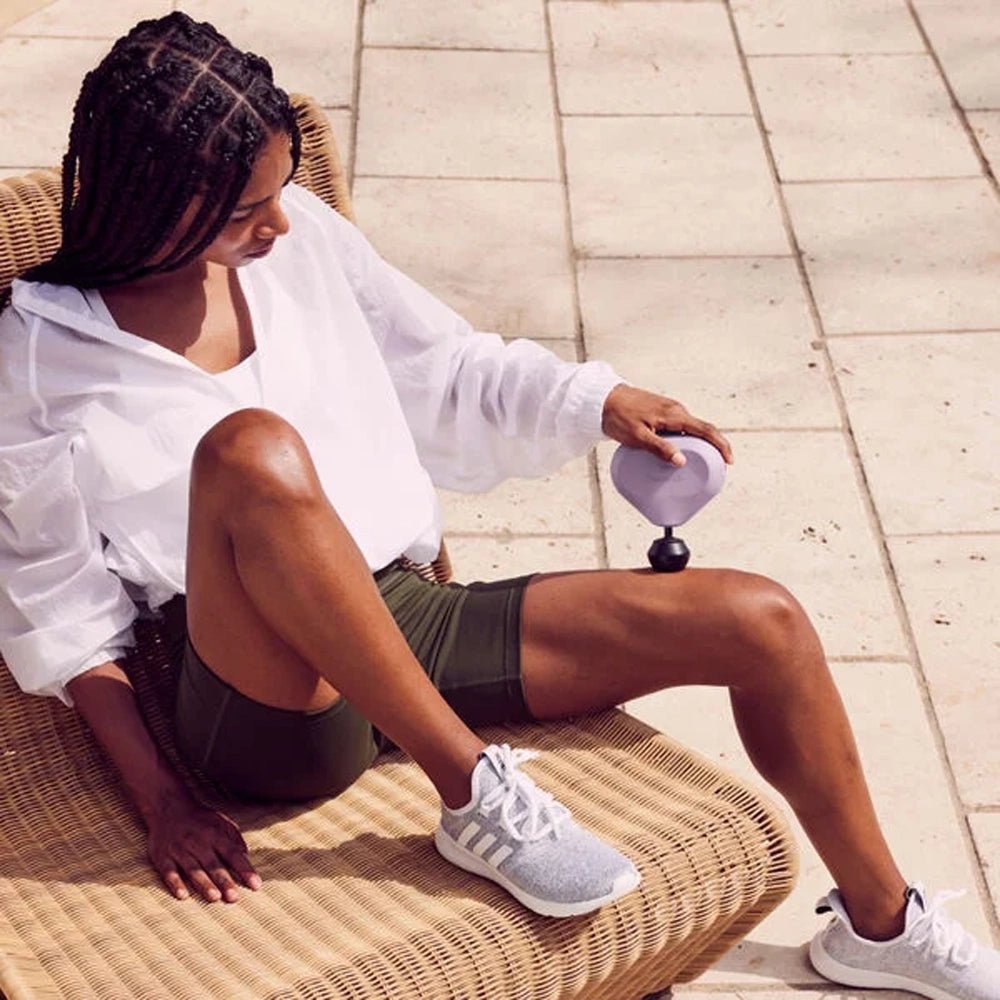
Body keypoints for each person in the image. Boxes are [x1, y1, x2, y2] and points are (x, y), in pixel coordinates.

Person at [0, 11, 995, 997]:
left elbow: (444, 365)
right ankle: (473, 792)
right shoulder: (44, 352)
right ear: (152, 200)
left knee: (760, 621)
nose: (280, 225)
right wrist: (163, 802)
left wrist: (598, 401)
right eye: (243, 211)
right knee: (252, 451)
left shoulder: (300, 247)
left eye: (280, 192)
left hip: (401, 612)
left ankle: (881, 926)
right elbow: (59, 610)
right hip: (259, 693)